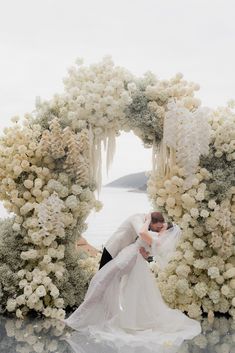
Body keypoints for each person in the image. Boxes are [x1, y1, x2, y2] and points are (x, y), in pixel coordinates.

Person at [62, 212, 201, 351]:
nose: (157, 230)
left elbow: (142, 235)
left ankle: (87, 318)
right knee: (102, 283)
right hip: (118, 252)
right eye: (157, 227)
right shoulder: (142, 223)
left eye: (160, 228)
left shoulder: (151, 231)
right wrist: (152, 228)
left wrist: (150, 224)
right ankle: (95, 316)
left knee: (102, 283)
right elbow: (144, 243)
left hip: (127, 258)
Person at [99, 211, 173, 269]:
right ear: (151, 222)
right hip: (113, 249)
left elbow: (141, 243)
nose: (158, 230)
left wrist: (145, 254)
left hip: (122, 255)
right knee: (102, 277)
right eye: (157, 227)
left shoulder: (147, 227)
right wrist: (148, 220)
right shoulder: (137, 218)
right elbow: (141, 233)